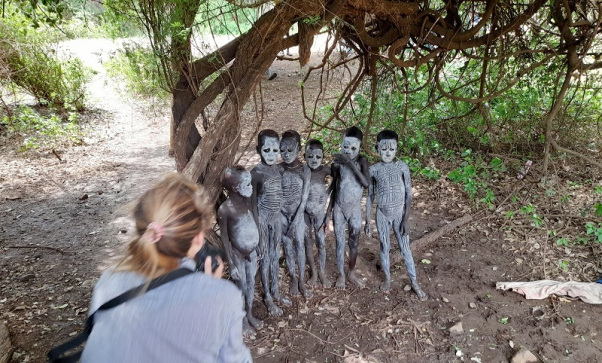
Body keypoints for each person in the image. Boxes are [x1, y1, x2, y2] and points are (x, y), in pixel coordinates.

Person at [81, 173, 252, 363]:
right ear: (198, 238)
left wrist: (207, 288)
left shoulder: (109, 280)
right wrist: (210, 288)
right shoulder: (224, 296)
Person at [365, 130, 427, 300]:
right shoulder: (374, 170)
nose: (387, 152)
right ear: (377, 148)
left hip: (399, 213)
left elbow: (408, 193)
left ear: (397, 149)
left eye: (391, 149)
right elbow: (370, 195)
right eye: (383, 149)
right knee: (385, 247)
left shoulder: (402, 167)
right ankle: (387, 278)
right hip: (382, 214)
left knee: (405, 248)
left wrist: (406, 219)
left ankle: (414, 282)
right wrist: (367, 221)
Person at [218, 166, 263, 336]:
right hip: (237, 255)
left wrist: (259, 244)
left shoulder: (248, 203)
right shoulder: (225, 210)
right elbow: (225, 238)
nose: (251, 188)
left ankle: (249, 314)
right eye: (248, 185)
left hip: (251, 253)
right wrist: (231, 263)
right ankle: (241, 319)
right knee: (241, 287)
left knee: (251, 283)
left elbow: (254, 222)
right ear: (236, 189)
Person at [250, 129, 291, 316]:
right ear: (258, 149)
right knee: (266, 258)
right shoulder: (256, 173)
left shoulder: (278, 169)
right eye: (267, 151)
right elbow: (252, 205)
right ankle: (267, 296)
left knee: (275, 255)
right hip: (263, 221)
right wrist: (258, 231)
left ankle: (276, 290)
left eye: (276, 151)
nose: (272, 155)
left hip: (276, 220)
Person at [326, 126, 370, 289]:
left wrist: (350, 163)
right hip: (339, 208)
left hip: (354, 210)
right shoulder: (337, 163)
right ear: (341, 144)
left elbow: (366, 183)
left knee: (353, 242)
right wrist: (328, 212)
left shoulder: (361, 160)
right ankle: (341, 275)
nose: (348, 151)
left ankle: (351, 272)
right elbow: (335, 186)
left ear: (359, 147)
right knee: (339, 243)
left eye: (353, 148)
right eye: (345, 147)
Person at [279, 130, 312, 298]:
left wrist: (297, 218)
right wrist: (283, 217)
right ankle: (293, 277)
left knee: (300, 244)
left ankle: (302, 282)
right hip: (283, 216)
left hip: (298, 216)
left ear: (299, 148)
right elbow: (276, 195)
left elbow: (305, 197)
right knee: (288, 247)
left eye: (290, 150)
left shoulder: (304, 170)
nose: (285, 154)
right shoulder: (278, 169)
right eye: (282, 150)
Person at [303, 139, 332, 287]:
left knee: (321, 242)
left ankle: (322, 271)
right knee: (308, 242)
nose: (314, 160)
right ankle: (313, 272)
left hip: (320, 213)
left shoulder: (325, 171)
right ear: (304, 156)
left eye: (318, 157)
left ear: (323, 157)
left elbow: (338, 182)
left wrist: (327, 194)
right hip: (305, 214)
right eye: (310, 156)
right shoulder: (303, 171)